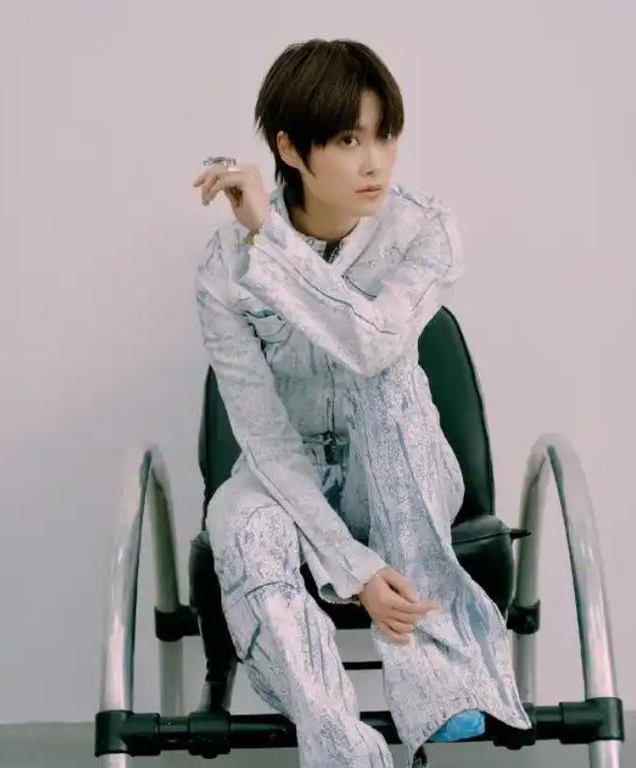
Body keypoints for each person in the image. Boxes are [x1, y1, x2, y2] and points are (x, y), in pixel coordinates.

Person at [192, 38, 532, 768]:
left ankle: (438, 674)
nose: (375, 162)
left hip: (402, 459)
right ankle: (346, 751)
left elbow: (371, 347)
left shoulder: (424, 231)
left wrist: (272, 240)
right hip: (288, 478)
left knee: (384, 376)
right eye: (349, 140)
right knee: (240, 522)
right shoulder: (225, 266)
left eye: (385, 136)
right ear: (291, 148)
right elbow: (263, 437)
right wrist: (352, 568)